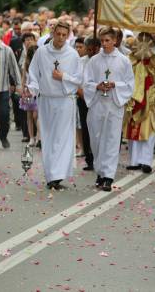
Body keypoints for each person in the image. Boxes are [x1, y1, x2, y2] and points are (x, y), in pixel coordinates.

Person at [27, 21, 82, 190]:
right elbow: (33, 73)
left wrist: (63, 77)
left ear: (68, 35)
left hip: (65, 100)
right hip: (46, 100)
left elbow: (79, 79)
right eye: (58, 34)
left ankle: (57, 176)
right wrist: (32, 89)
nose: (60, 38)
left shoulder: (72, 55)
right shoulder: (42, 52)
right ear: (53, 33)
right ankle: (51, 175)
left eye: (64, 35)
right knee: (49, 138)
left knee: (63, 138)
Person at [84, 27, 134, 192]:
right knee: (96, 139)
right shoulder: (94, 61)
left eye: (108, 40)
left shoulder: (123, 60)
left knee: (112, 140)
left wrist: (115, 85)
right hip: (98, 103)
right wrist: (96, 86)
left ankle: (108, 176)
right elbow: (87, 82)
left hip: (114, 104)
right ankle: (100, 171)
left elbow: (129, 84)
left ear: (114, 41)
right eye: (102, 41)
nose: (104, 44)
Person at [124, 33, 155, 174]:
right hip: (132, 99)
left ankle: (146, 161)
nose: (142, 45)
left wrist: (153, 97)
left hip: (150, 100)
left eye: (146, 43)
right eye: (139, 42)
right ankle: (134, 160)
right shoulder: (129, 60)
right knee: (133, 129)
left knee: (149, 130)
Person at [76, 37, 100, 171]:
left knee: (98, 129)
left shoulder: (102, 61)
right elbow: (77, 81)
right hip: (83, 98)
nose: (91, 52)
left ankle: (99, 157)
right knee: (86, 128)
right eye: (89, 49)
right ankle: (89, 158)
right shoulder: (81, 62)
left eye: (94, 49)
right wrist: (84, 96)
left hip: (99, 99)